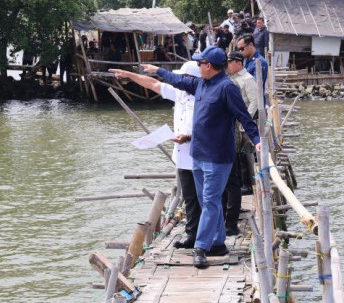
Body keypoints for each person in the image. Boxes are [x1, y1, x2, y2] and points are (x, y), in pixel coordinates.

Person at [142, 46, 261, 269]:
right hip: (197, 154)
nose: (197, 66)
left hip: (218, 156)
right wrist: (157, 69)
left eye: (199, 63)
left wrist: (256, 140)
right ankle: (217, 242)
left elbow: (244, 117)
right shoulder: (199, 84)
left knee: (211, 200)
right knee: (208, 201)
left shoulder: (228, 88)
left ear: (208, 66)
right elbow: (176, 81)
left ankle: (201, 247)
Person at [109, 61, 202, 250]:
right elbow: (152, 83)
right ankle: (193, 234)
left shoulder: (205, 96)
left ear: (192, 79)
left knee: (205, 198)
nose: (179, 81)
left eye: (183, 77)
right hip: (183, 156)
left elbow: (212, 127)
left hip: (201, 155)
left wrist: (188, 137)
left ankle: (206, 237)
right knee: (190, 197)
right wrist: (129, 74)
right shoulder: (180, 94)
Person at [221, 52, 258, 233]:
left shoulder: (247, 79)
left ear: (238, 63)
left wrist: (245, 121)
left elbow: (254, 102)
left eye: (230, 63)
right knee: (238, 160)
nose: (228, 66)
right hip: (235, 123)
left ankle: (245, 187)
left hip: (242, 123)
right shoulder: (232, 79)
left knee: (243, 157)